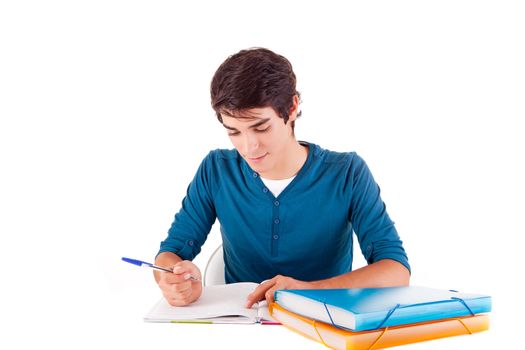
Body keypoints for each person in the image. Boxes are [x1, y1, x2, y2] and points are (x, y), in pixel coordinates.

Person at [153, 47, 410, 308]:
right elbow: (169, 254)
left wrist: (306, 289)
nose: (249, 146)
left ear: (291, 108)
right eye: (234, 132)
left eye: (261, 127)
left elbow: (396, 270)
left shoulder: (347, 173)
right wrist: (174, 278)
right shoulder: (216, 170)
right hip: (240, 327)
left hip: (325, 326)